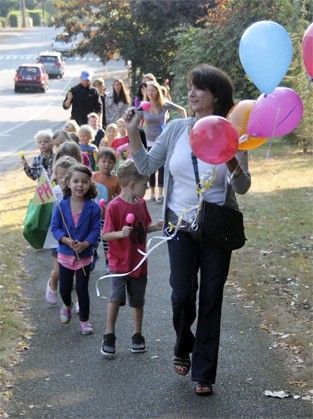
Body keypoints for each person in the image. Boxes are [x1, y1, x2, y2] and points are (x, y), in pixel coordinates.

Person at [124, 64, 251, 396]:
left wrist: (231, 159)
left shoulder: (233, 132)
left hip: (217, 228)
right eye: (190, 87)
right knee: (182, 296)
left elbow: (243, 188)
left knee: (211, 298)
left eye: (199, 89)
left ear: (217, 96)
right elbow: (147, 166)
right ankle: (184, 344)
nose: (192, 94)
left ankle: (204, 372)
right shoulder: (178, 128)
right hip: (178, 225)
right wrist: (133, 132)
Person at [101, 160, 163, 356]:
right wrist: (121, 233)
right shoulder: (114, 207)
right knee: (115, 298)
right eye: (145, 184)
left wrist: (156, 227)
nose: (147, 188)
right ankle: (109, 334)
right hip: (119, 264)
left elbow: (143, 228)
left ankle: (137, 335)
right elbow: (106, 234)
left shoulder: (141, 204)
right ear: (132, 185)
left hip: (139, 263)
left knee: (138, 301)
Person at [51, 163, 101, 335]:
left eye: (84, 182)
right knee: (65, 288)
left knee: (81, 289)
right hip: (65, 255)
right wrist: (65, 240)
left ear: (90, 185)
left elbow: (96, 230)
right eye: (76, 181)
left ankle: (85, 320)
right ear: (68, 183)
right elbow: (55, 227)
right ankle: (66, 305)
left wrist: (86, 244)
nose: (80, 185)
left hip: (84, 256)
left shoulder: (94, 208)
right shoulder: (60, 206)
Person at [143, 80, 187, 203]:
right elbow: (136, 117)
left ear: (158, 91)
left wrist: (184, 126)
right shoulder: (145, 106)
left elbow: (182, 110)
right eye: (149, 90)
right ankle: (152, 192)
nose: (151, 93)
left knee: (162, 167)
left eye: (153, 90)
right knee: (150, 166)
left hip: (163, 139)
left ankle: (160, 193)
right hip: (148, 140)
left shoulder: (164, 104)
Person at [45, 156, 77, 305]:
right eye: (60, 178)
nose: (63, 181)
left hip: (76, 238)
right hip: (58, 240)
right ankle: (52, 284)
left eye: (67, 177)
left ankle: (78, 301)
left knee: (77, 272)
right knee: (59, 271)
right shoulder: (54, 192)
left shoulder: (78, 192)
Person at [93, 147, 121, 271]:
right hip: (93, 215)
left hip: (107, 216)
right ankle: (92, 256)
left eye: (110, 162)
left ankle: (108, 261)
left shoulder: (116, 180)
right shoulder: (92, 177)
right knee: (94, 239)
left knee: (107, 242)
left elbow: (120, 198)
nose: (106, 165)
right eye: (103, 161)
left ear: (114, 164)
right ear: (97, 162)